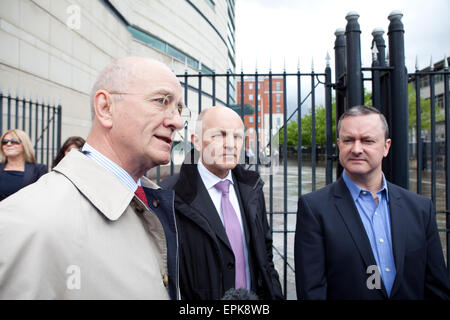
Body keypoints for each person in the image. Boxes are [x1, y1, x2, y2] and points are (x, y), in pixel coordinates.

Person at [0, 57, 185, 299]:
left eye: (179, 109)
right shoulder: (32, 222)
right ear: (106, 108)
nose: (177, 122)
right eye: (161, 101)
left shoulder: (153, 202)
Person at [294, 105, 450, 300]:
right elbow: (312, 292)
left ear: (386, 146)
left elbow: (437, 288)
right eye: (348, 140)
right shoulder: (314, 209)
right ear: (339, 144)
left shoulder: (420, 209)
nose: (357, 149)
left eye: (367, 140)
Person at [161, 106, 283, 300]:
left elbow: (265, 255)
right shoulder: (169, 196)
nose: (230, 144)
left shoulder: (252, 188)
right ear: (197, 142)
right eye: (219, 135)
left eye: (237, 137)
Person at [0, 129, 47, 201]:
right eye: (4, 142)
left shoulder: (38, 169)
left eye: (14, 141)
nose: (8, 144)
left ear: (24, 145)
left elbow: (43, 196)